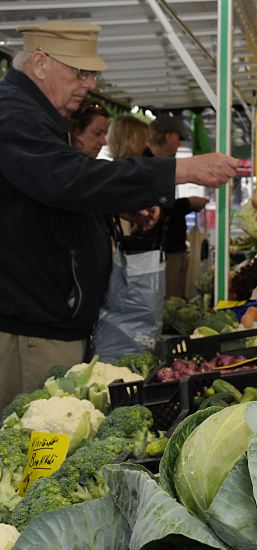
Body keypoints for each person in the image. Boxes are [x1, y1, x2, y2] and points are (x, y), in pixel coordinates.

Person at [0, 20, 237, 409]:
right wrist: (181, 170)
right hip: (33, 329)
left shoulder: (36, 115)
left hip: (48, 323)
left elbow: (48, 194)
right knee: (37, 451)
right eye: (81, 72)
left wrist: (115, 205)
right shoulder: (13, 113)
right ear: (40, 64)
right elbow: (64, 180)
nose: (90, 84)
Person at [137, 114, 209, 298]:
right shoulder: (145, 165)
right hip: (158, 253)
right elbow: (156, 210)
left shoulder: (158, 164)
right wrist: (188, 204)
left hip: (169, 249)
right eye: (178, 139)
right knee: (167, 302)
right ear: (168, 137)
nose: (179, 146)